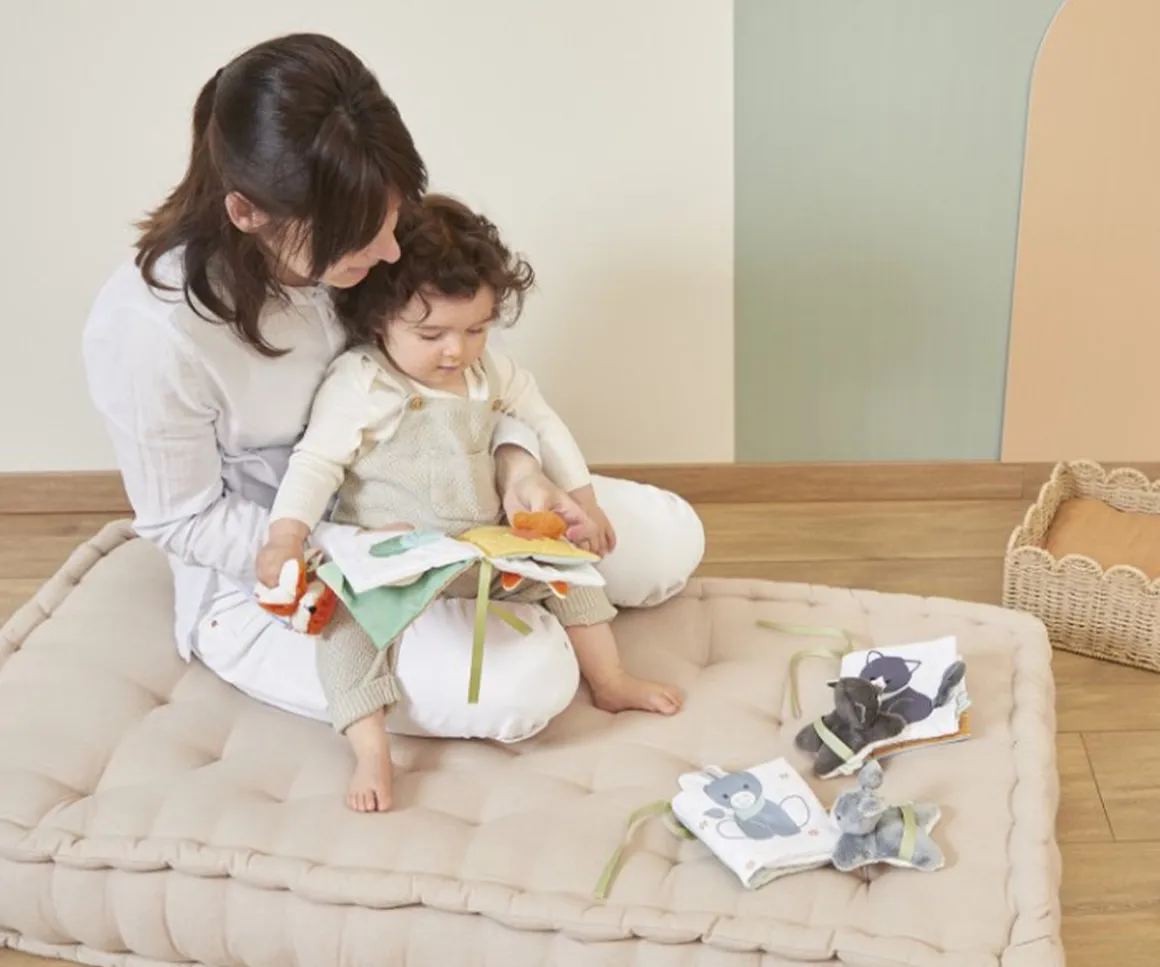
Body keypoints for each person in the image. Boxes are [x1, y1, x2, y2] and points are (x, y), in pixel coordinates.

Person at [81, 32, 705, 784]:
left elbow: (463, 378)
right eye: (359, 238)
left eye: (393, 214)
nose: (388, 251)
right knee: (530, 680)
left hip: (447, 490)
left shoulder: (361, 231)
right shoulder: (151, 332)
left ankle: (506, 592)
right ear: (247, 212)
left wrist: (517, 465)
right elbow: (180, 519)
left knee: (669, 541)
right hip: (294, 572)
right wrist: (356, 547)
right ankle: (496, 614)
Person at [257, 193, 685, 810]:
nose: (456, 351)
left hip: (485, 548)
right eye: (430, 334)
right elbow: (316, 463)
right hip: (397, 559)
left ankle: (610, 680)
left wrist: (584, 503)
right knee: (347, 632)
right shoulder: (362, 381)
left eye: (476, 329)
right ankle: (370, 749)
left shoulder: (493, 376)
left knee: (573, 574)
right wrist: (286, 536)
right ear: (379, 319)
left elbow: (545, 426)